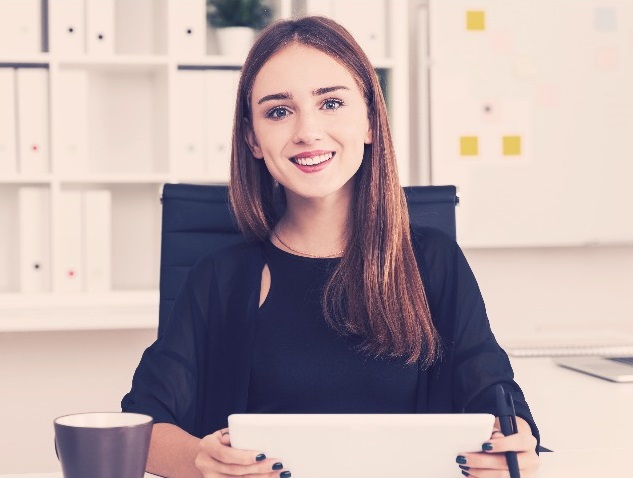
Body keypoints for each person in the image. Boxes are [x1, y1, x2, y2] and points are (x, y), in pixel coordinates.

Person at [122, 16, 541, 478]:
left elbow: (496, 396)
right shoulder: (220, 276)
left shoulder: (432, 261)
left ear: (369, 120)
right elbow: (140, 426)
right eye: (278, 111)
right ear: (252, 139)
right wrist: (200, 462)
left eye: (332, 103)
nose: (307, 131)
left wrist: (514, 443)